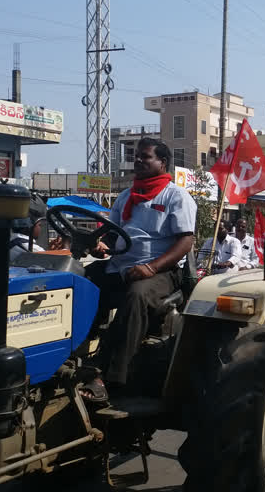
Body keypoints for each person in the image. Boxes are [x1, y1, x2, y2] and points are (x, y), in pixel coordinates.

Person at [86, 137, 196, 391]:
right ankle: (77, 347)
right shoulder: (126, 196)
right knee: (79, 280)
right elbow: (113, 234)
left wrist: (151, 268)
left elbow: (185, 242)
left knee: (137, 295)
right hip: (121, 266)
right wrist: (102, 245)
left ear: (163, 162)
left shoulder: (176, 197)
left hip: (161, 271)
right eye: (137, 156)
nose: (138, 160)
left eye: (145, 157)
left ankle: (112, 375)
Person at [9, 195, 47, 260]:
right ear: (30, 226)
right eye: (39, 225)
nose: (40, 229)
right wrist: (66, 245)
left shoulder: (9, 241)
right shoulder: (32, 248)